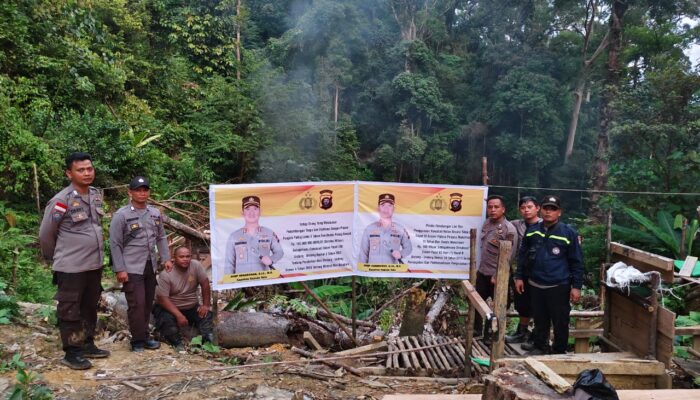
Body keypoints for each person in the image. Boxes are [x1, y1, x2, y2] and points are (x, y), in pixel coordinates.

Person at [39, 152, 110, 370]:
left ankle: (87, 343)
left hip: (93, 265)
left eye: (89, 168)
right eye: (81, 170)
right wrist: (58, 258)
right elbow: (45, 234)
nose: (87, 173)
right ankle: (72, 353)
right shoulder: (61, 201)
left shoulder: (95, 195)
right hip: (71, 267)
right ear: (69, 173)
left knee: (90, 306)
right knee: (70, 309)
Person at [110, 176, 172, 352]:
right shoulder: (121, 215)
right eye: (138, 190)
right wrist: (120, 269)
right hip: (131, 267)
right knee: (136, 304)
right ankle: (137, 341)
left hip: (149, 265)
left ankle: (144, 336)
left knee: (146, 303)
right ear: (130, 192)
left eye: (145, 190)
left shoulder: (154, 213)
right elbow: (115, 244)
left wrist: (166, 258)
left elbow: (161, 237)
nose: (142, 193)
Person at [515, 195, 583, 355]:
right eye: (546, 208)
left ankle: (559, 351)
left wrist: (577, 286)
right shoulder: (532, 231)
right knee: (540, 318)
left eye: (553, 209)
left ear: (559, 212)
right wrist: (519, 276)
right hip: (535, 283)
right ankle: (540, 346)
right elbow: (523, 255)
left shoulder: (569, 233)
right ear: (541, 209)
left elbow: (577, 261)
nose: (548, 212)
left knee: (560, 321)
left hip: (558, 285)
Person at [474, 195, 517, 340]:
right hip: (483, 272)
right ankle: (476, 331)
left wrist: (498, 275)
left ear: (503, 209)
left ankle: (491, 336)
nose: (492, 210)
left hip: (497, 276)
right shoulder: (487, 223)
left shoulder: (508, 229)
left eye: (496, 207)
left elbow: (509, 256)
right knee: (477, 303)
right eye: (490, 207)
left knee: (498, 307)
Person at [154, 247, 213, 350]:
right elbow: (162, 299)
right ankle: (177, 343)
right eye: (181, 257)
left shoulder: (196, 266)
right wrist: (179, 315)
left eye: (187, 256)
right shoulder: (166, 274)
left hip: (191, 306)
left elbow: (205, 284)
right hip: (169, 308)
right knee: (167, 321)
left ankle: (208, 341)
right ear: (174, 258)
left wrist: (206, 305)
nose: (185, 259)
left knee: (207, 316)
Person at [506, 196, 541, 344]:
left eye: (530, 207)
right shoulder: (515, 225)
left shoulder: (545, 225)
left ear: (537, 208)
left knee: (539, 303)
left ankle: (538, 335)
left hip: (540, 272)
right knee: (522, 303)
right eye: (523, 208)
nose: (526, 210)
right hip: (521, 271)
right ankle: (522, 332)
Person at [223, 196, 283, 274]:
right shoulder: (234, 236)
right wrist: (229, 283)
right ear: (242, 212)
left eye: (255, 209)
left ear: (260, 211)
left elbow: (279, 252)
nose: (251, 213)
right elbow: (229, 263)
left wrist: (271, 259)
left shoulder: (269, 233)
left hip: (264, 281)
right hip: (241, 282)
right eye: (247, 209)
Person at [359, 193, 412, 264]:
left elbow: (408, 247)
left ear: (394, 209)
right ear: (378, 208)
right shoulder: (369, 229)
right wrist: (363, 271)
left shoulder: (400, 229)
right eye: (383, 205)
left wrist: (401, 254)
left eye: (390, 205)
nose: (386, 209)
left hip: (392, 272)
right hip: (373, 272)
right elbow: (363, 253)